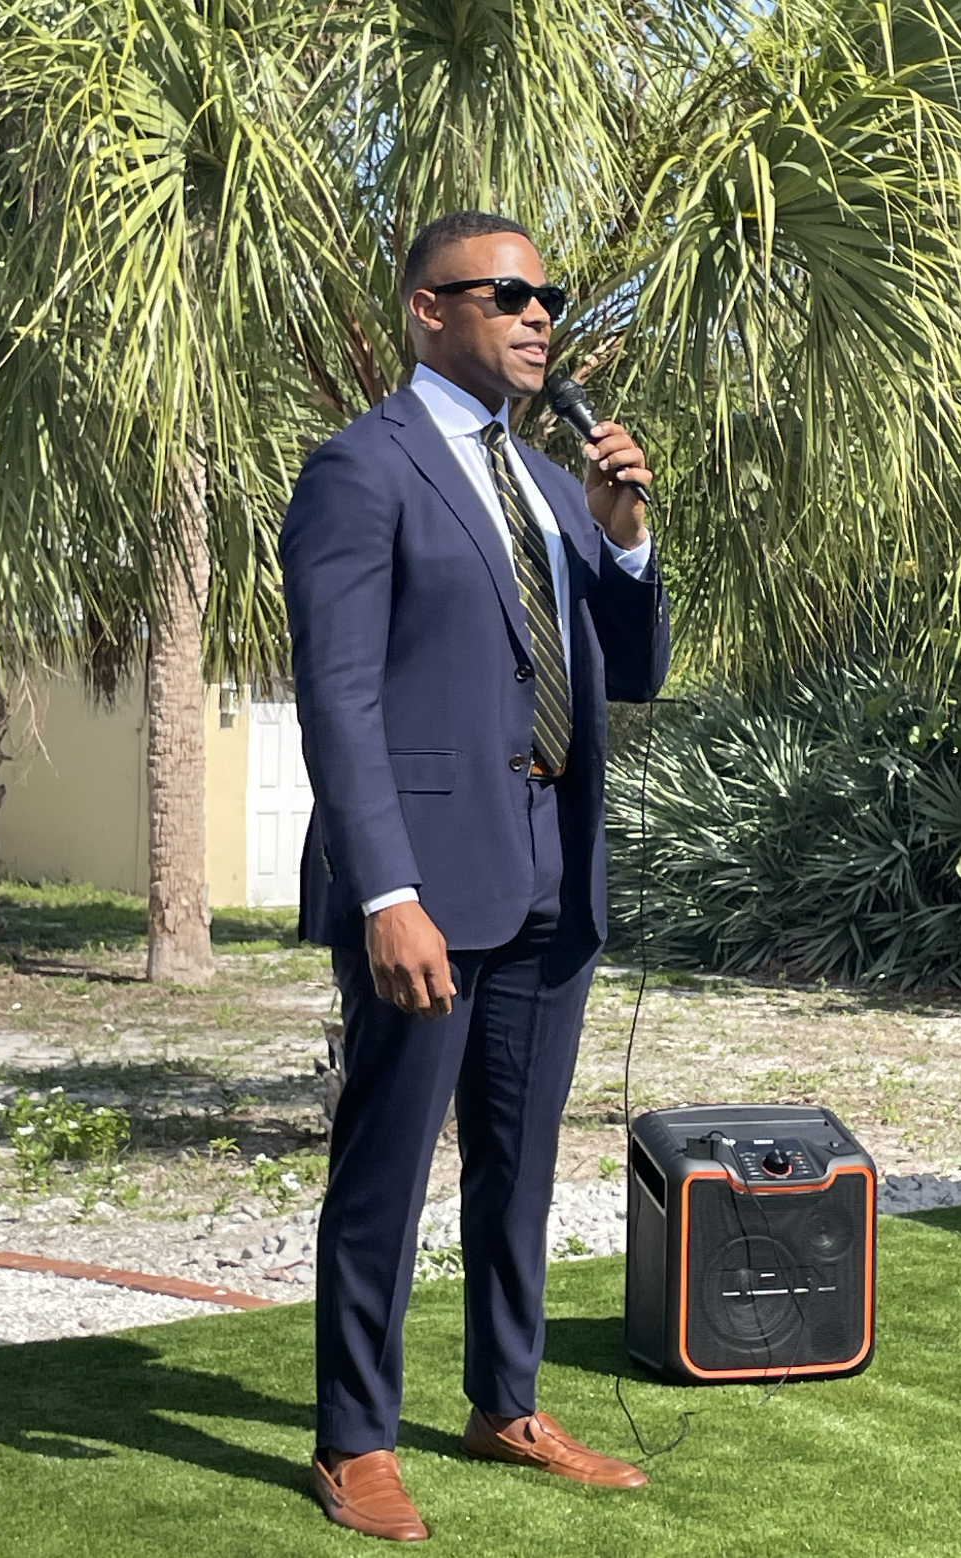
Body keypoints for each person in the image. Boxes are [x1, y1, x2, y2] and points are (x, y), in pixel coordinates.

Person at [280, 209, 671, 1543]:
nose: (535, 314)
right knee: (386, 1167)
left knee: (520, 1162)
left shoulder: (556, 487)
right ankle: (354, 1440)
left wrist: (624, 537)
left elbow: (631, 670)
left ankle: (505, 1402)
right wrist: (384, 891)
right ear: (427, 309)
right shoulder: (361, 468)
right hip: (427, 886)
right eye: (502, 293)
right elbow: (337, 700)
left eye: (543, 295)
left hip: (551, 870)